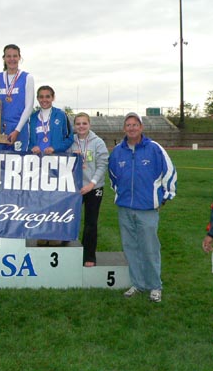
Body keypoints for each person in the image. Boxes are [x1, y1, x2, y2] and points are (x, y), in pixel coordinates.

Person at [108, 112, 177, 303]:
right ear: (124, 129)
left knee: (149, 248)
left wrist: (163, 198)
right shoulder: (118, 151)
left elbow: (170, 173)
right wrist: (120, 193)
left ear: (141, 127)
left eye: (135, 125)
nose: (131, 128)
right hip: (125, 208)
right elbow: (113, 176)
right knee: (130, 247)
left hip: (147, 208)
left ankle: (155, 286)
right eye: (128, 125)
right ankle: (138, 284)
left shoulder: (154, 149)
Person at [67, 112, 109, 267]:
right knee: (68, 219)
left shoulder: (98, 142)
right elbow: (63, 162)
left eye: (84, 123)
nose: (81, 126)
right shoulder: (70, 142)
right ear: (74, 126)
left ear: (89, 125)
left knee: (91, 223)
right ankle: (66, 251)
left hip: (93, 187)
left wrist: (91, 184)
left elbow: (102, 164)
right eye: (78, 124)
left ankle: (88, 256)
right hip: (75, 188)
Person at [0, 44, 35, 152]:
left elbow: (29, 107)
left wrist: (17, 130)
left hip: (20, 129)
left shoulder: (27, 78)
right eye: (8, 56)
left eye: (15, 56)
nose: (12, 59)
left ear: (19, 57)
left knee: (18, 164)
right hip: (1, 129)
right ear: (4, 58)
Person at [29, 85, 73, 155]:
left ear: (53, 98)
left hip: (56, 159)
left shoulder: (61, 115)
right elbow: (27, 139)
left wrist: (55, 148)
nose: (44, 100)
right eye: (41, 97)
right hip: (36, 160)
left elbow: (69, 138)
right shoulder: (32, 117)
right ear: (37, 98)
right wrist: (32, 147)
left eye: (47, 96)